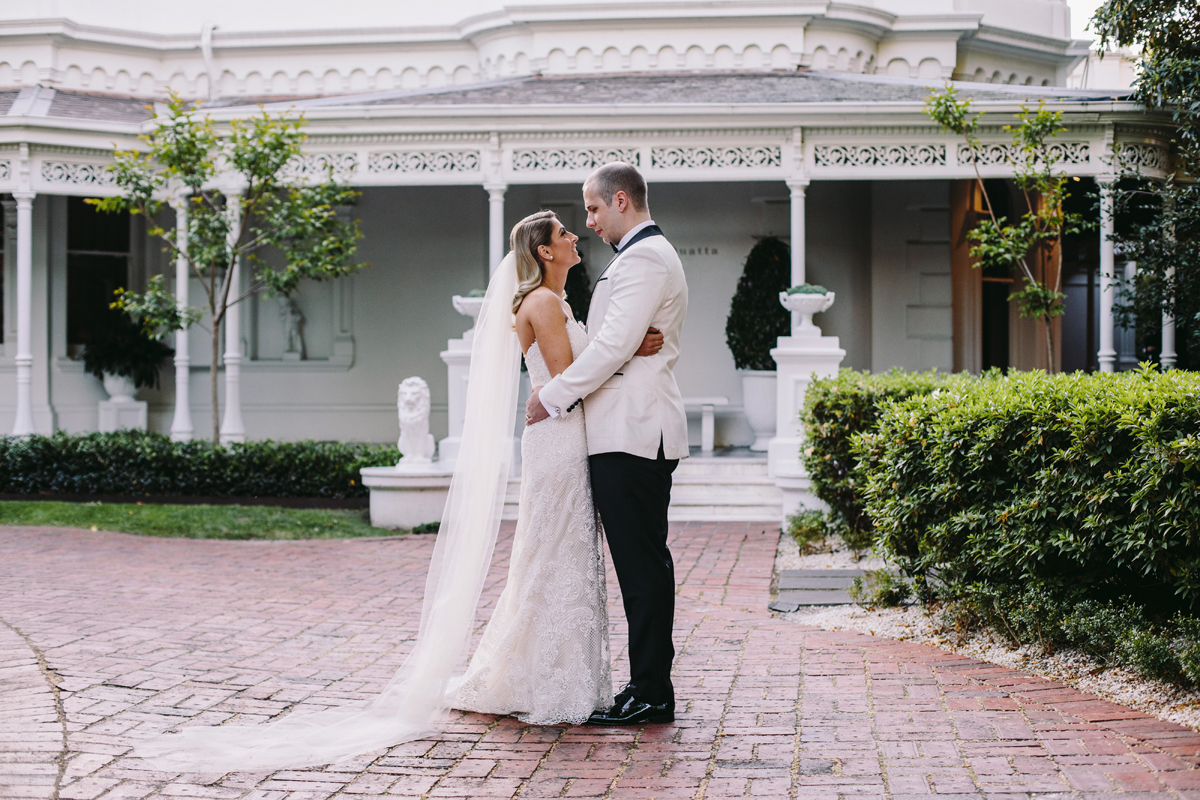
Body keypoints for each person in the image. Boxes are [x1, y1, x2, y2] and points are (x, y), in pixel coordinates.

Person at [133, 209, 666, 770]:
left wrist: (620, 348)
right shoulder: (541, 304)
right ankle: (548, 681)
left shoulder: (555, 302)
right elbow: (566, 383)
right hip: (558, 443)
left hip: (561, 439)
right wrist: (629, 349)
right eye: (563, 233)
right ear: (545, 252)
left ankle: (546, 672)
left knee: (558, 556)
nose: (575, 235)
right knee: (553, 556)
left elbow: (571, 376)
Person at [527, 161, 689, 726]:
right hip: (625, 430)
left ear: (621, 200)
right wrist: (620, 346)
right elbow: (617, 342)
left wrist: (553, 397)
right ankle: (646, 685)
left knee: (641, 569)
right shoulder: (638, 256)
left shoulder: (644, 256)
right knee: (642, 567)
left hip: (633, 432)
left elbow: (612, 345)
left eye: (593, 209)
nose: (589, 221)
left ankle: (652, 692)